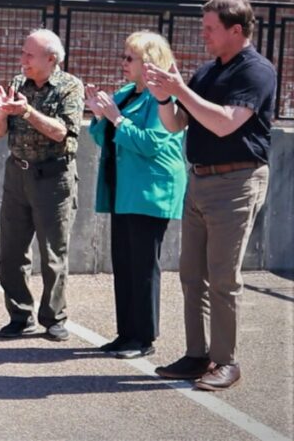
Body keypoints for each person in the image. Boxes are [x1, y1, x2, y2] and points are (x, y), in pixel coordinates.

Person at [145, 0, 275, 391]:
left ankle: (226, 361)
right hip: (199, 179)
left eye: (210, 28)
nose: (203, 34)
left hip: (236, 182)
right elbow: (174, 124)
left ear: (236, 30)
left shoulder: (256, 71)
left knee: (222, 276)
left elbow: (225, 124)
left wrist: (180, 89)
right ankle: (196, 354)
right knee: (191, 274)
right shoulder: (207, 71)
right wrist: (164, 96)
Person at [86, 31, 187, 359]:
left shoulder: (162, 98)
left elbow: (150, 143)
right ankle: (126, 333)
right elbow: (106, 138)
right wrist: (100, 116)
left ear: (150, 64)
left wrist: (116, 118)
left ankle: (143, 338)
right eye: (124, 56)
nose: (123, 63)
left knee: (143, 266)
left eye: (130, 58)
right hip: (124, 191)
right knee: (124, 263)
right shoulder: (128, 93)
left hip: (151, 192)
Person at [0, 28, 84, 341]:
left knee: (53, 253)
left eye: (29, 55)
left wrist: (28, 111)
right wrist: (2, 114)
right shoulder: (18, 83)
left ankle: (54, 318)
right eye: (23, 53)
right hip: (17, 173)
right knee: (12, 252)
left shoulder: (70, 87)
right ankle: (19, 315)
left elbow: (63, 133)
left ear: (51, 59)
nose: (23, 60)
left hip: (53, 178)